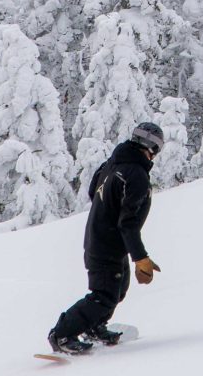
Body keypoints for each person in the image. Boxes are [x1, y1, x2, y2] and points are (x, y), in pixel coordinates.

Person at [47, 121, 165, 356]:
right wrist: (141, 258)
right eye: (156, 150)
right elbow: (128, 223)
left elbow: (94, 192)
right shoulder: (137, 176)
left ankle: (93, 327)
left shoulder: (111, 164)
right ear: (151, 148)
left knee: (118, 289)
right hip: (108, 243)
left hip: (101, 238)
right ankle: (61, 334)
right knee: (104, 295)